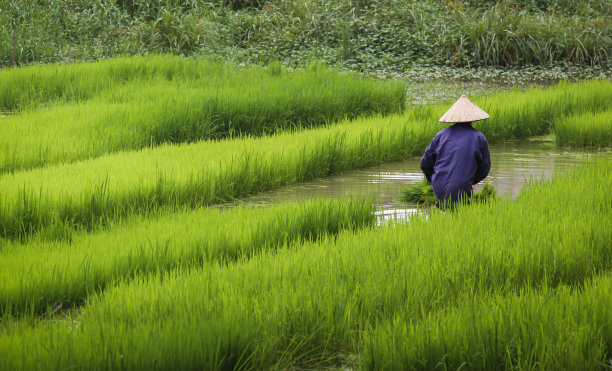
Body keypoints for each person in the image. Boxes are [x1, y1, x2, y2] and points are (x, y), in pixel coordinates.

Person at [420, 95, 491, 206]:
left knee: (449, 213)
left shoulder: (441, 135)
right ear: (472, 119)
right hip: (462, 187)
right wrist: (469, 180)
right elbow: (485, 168)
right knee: (461, 215)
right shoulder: (478, 137)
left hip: (438, 187)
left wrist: (434, 179)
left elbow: (425, 163)